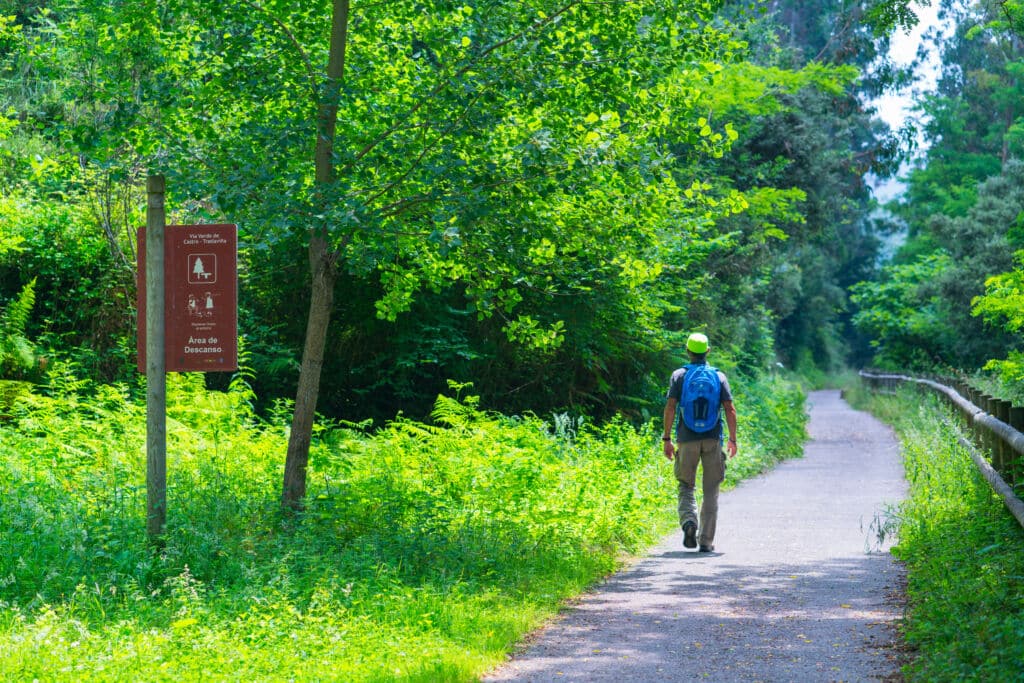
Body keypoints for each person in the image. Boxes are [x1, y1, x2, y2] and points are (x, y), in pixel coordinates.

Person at [662, 332, 738, 553]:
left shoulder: (679, 375)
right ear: (708, 352)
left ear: (687, 351)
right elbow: (729, 409)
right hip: (713, 439)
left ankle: (689, 522)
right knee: (711, 490)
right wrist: (732, 439)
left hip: (686, 439)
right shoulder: (719, 377)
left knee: (686, 485)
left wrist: (667, 438)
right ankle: (705, 541)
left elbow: (670, 407)